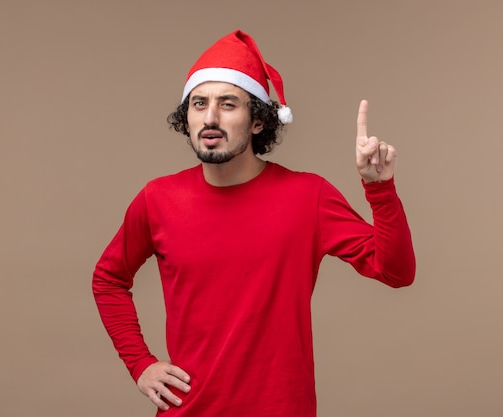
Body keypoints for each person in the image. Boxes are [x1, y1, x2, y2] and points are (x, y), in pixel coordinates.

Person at [92, 29, 415, 417]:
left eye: (228, 104)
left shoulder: (307, 196)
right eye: (198, 104)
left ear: (259, 121)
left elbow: (396, 271)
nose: (210, 117)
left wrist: (379, 189)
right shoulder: (158, 199)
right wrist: (140, 364)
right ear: (187, 116)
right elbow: (108, 279)